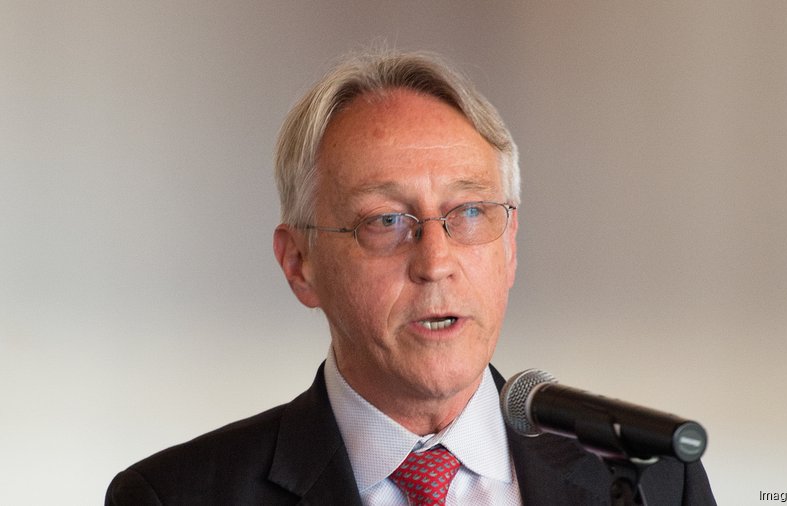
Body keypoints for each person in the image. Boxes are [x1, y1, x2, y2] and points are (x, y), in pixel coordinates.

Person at [105, 50, 716, 505]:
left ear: (510, 245)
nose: (435, 262)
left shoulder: (654, 480)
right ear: (299, 264)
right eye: (386, 221)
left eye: (469, 213)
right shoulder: (174, 496)